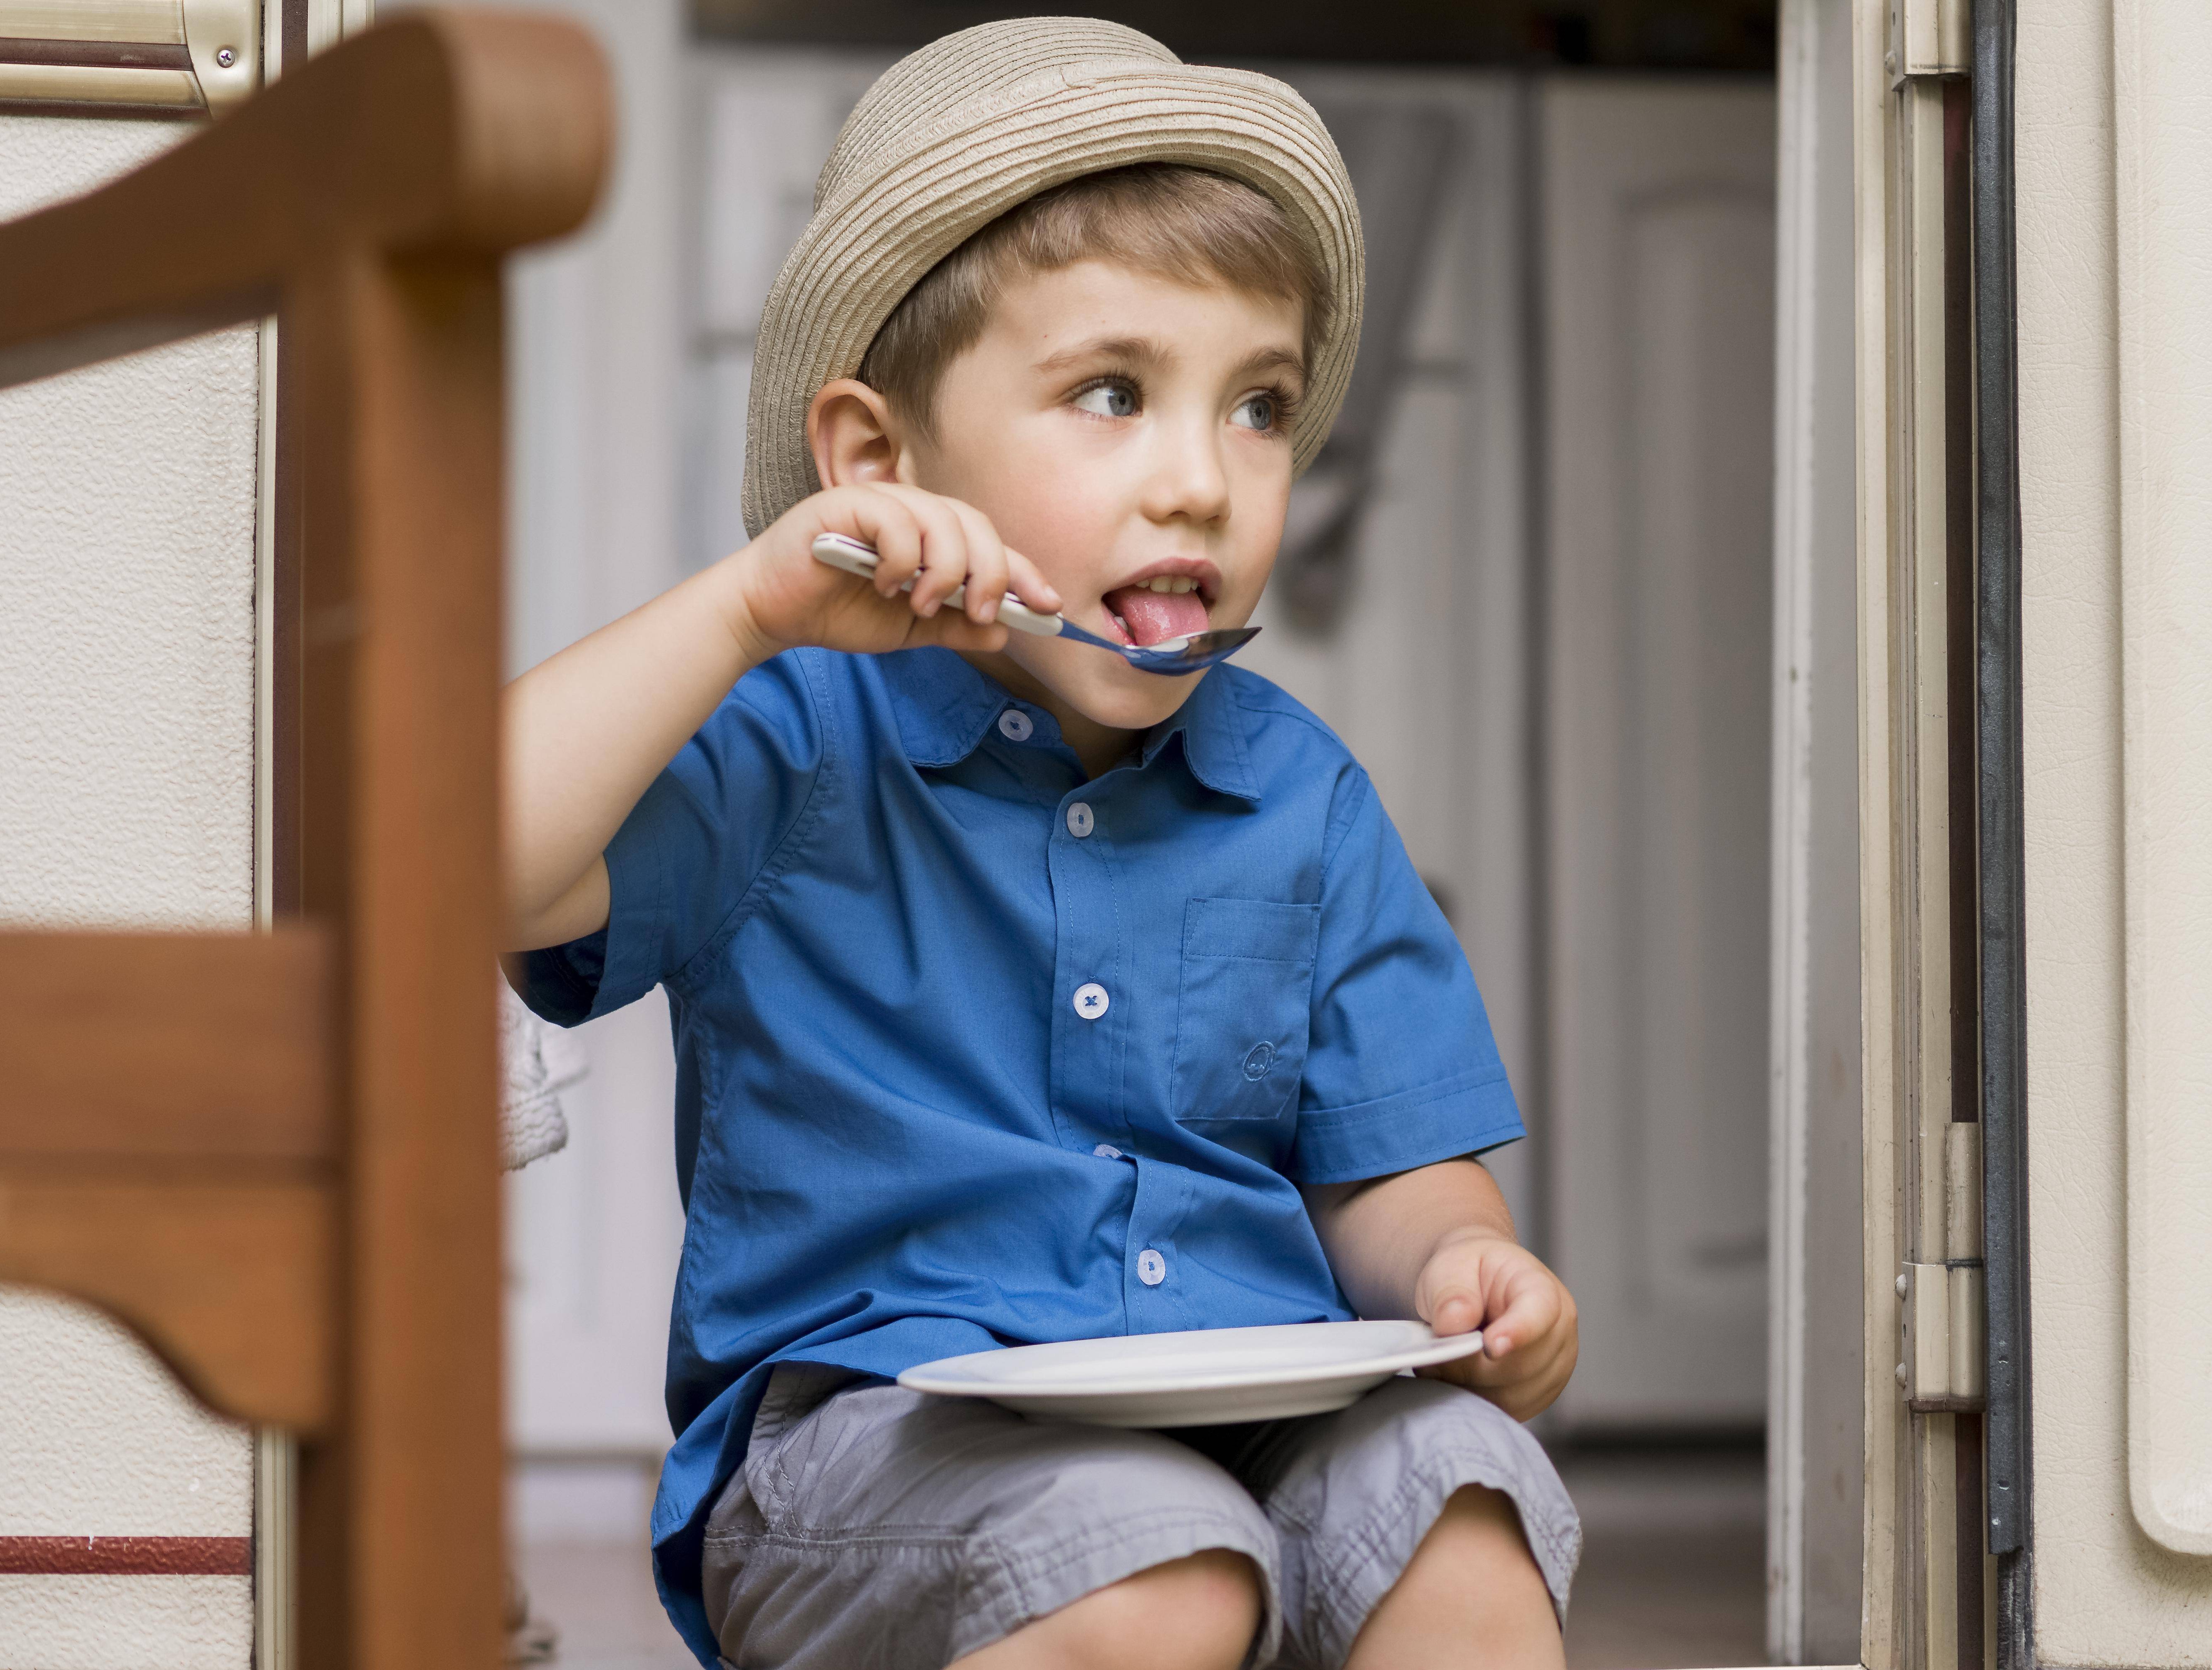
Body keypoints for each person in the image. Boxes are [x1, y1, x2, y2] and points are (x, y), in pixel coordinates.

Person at [502, 20, 1580, 1670]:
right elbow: (464, 858)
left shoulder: (1305, 798)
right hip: (869, 1455)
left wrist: (1464, 1265)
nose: (1201, 484)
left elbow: (1395, 1168)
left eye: (1259, 409)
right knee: (1157, 1567)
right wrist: (745, 611)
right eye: (1112, 396)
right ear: (878, 459)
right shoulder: (790, 745)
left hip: (1252, 1414)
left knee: (1459, 1497)